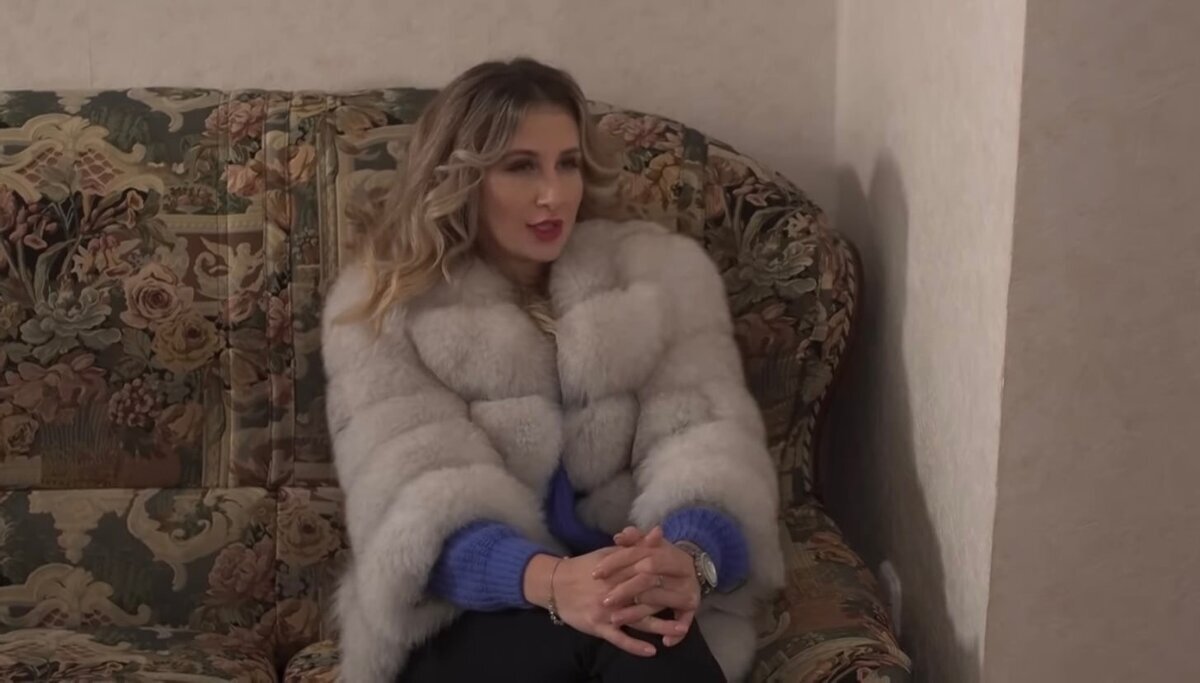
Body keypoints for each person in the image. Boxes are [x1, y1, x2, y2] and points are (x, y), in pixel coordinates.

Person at [321, 57, 785, 683]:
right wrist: (556, 582)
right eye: (521, 167)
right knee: (634, 637)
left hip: (630, 600)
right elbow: (418, 503)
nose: (554, 194)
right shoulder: (387, 306)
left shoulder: (658, 280)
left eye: (567, 163)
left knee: (642, 632)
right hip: (466, 617)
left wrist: (686, 557)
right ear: (460, 178)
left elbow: (708, 444)